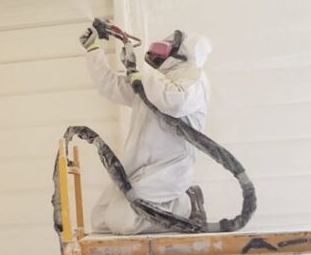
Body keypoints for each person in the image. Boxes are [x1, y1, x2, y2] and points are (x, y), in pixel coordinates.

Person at [79, 24, 212, 234]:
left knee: (123, 221)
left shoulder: (194, 78)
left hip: (168, 169)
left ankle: (186, 204)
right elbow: (110, 86)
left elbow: (175, 101)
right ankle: (169, 207)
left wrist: (142, 75)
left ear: (184, 51)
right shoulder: (153, 81)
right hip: (139, 167)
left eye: (170, 43)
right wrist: (93, 49)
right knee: (101, 218)